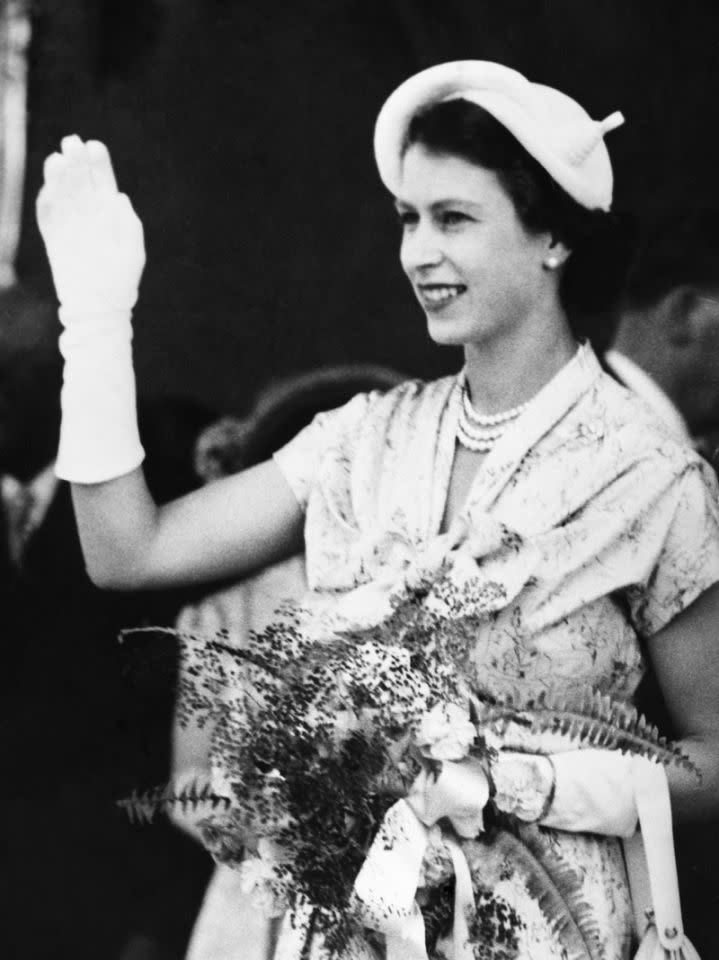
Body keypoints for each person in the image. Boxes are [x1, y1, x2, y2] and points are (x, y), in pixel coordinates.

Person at [35, 60, 719, 960]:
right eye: (408, 218)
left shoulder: (651, 478)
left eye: (454, 219)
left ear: (551, 235)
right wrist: (94, 325)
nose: (418, 252)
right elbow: (129, 552)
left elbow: (712, 759)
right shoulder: (359, 440)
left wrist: (528, 782)